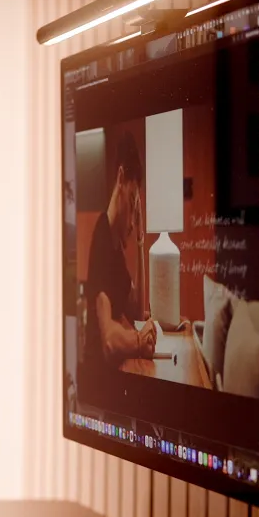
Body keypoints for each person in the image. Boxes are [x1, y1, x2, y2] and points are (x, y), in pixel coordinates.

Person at [82, 130, 157, 373]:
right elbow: (109, 341)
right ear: (121, 179)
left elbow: (137, 310)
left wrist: (140, 243)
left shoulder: (116, 246)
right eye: (133, 199)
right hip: (99, 382)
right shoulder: (103, 238)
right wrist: (138, 341)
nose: (134, 221)